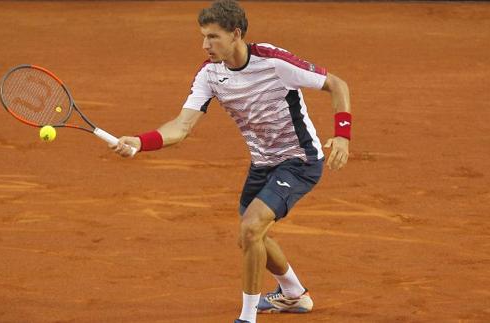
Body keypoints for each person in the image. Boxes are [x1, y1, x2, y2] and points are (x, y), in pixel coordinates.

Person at [110, 1, 351, 322]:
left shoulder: (274, 62)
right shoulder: (209, 75)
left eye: (213, 37)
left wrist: (342, 135)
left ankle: (247, 318)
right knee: (252, 235)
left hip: (300, 159)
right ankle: (294, 295)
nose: (205, 45)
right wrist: (140, 141)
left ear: (236, 34)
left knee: (251, 229)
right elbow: (181, 127)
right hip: (262, 164)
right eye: (203, 37)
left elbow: (337, 84)